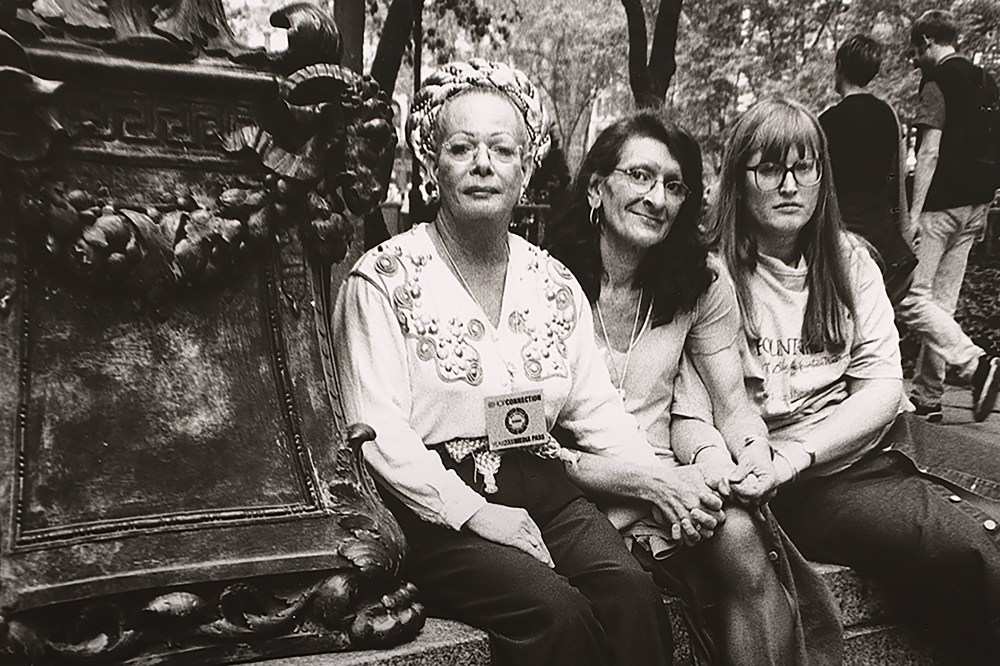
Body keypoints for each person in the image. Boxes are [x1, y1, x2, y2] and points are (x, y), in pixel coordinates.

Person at [332, 59, 726, 666]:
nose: (483, 163)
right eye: (461, 147)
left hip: (542, 485)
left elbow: (598, 412)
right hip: (437, 508)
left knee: (631, 593)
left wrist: (661, 487)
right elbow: (378, 431)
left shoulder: (553, 282)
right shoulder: (382, 278)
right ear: (433, 165)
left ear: (526, 167)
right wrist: (478, 514)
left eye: (502, 149)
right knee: (555, 613)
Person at [673, 97, 1000, 662]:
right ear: (738, 179)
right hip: (782, 484)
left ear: (824, 177)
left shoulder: (850, 261)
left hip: (851, 453)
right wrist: (758, 464)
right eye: (769, 168)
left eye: (805, 168)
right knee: (965, 552)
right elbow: (694, 408)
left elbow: (882, 387)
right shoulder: (707, 276)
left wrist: (800, 452)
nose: (789, 185)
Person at [546, 112, 842, 666]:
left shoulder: (699, 282)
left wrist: (753, 454)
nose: (657, 198)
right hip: (574, 484)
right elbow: (526, 447)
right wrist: (653, 484)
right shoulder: (540, 280)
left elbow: (730, 404)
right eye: (639, 176)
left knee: (744, 542)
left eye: (675, 185)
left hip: (676, 480)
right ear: (595, 187)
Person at [901, 9, 1000, 422]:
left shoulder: (936, 81)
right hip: (977, 205)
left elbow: (929, 151)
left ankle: (977, 365)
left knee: (909, 300)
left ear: (926, 40)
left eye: (914, 49)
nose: (913, 58)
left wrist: (912, 215)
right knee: (942, 304)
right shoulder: (986, 82)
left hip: (940, 207)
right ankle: (928, 397)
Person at [819, 34, 916, 306]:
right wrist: (904, 231)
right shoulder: (888, 115)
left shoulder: (826, 122)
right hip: (883, 234)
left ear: (839, 66)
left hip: (843, 237)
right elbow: (897, 179)